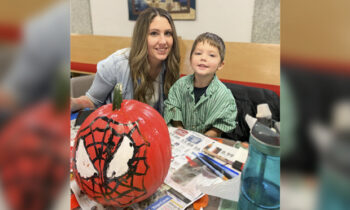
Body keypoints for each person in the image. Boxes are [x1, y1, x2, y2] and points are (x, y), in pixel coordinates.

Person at [71, 7, 180, 115]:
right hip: (120, 129)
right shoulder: (116, 64)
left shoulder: (171, 64)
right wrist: (74, 103)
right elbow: (93, 101)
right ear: (141, 37)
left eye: (168, 33)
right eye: (154, 33)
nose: (163, 41)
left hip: (152, 128)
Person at [164, 32, 237, 137]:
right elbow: (172, 109)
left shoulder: (225, 96)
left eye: (211, 55)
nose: (203, 58)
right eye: (198, 53)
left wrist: (201, 140)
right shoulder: (179, 86)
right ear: (190, 59)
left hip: (207, 143)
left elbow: (221, 125)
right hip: (180, 139)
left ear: (220, 65)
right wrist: (182, 134)